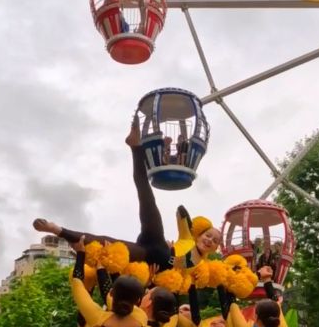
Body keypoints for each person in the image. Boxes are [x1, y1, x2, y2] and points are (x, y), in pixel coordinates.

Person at [33, 117, 222, 275]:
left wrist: (153, 278)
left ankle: (58, 230)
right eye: (208, 235)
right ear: (199, 234)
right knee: (146, 196)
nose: (210, 241)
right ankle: (135, 146)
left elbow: (178, 277)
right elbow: (181, 213)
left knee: (110, 243)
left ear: (215, 249)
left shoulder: (200, 264)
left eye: (214, 241)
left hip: (147, 257)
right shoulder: (188, 238)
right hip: (158, 241)